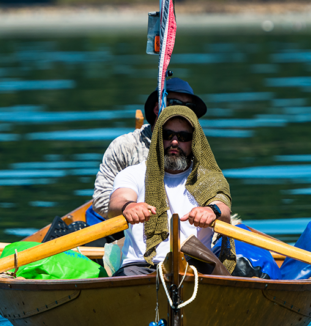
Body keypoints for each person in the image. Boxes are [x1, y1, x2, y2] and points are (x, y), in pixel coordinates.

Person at [107, 105, 235, 276]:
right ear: (159, 139)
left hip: (196, 266)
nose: (174, 142)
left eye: (183, 136)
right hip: (141, 266)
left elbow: (223, 207)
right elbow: (117, 202)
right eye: (168, 135)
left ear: (194, 141)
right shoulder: (133, 173)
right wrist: (128, 207)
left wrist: (211, 211)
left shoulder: (209, 178)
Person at [89, 78, 208, 223]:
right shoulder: (125, 146)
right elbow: (101, 200)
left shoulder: (195, 149)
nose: (181, 111)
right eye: (175, 104)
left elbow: (215, 195)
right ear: (157, 108)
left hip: (185, 227)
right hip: (129, 228)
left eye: (188, 107)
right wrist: (130, 208)